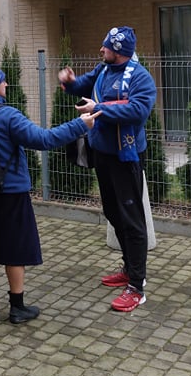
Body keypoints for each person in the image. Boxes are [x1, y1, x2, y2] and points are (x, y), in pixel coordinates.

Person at [0, 63, 100, 324]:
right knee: (15, 248)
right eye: (2, 80)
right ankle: (17, 307)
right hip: (11, 192)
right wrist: (80, 124)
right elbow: (44, 139)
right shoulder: (7, 115)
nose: (6, 84)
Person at [57, 26, 156, 313]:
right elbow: (83, 86)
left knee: (132, 220)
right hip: (102, 155)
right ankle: (128, 268)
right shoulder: (103, 70)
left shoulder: (140, 77)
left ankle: (137, 286)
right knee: (113, 213)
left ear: (119, 50)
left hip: (126, 158)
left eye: (106, 47)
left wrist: (98, 107)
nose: (101, 50)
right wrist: (71, 82)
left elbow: (138, 110)